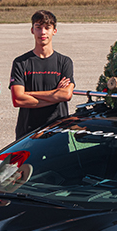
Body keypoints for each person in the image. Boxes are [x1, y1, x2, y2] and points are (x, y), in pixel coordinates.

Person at [10, 10, 74, 139]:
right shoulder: (21, 62)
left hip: (58, 131)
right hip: (28, 134)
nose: (43, 32)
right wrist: (55, 94)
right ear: (32, 30)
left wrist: (28, 94)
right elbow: (18, 99)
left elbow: (66, 94)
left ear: (54, 31)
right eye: (38, 27)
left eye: (47, 28)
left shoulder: (64, 62)